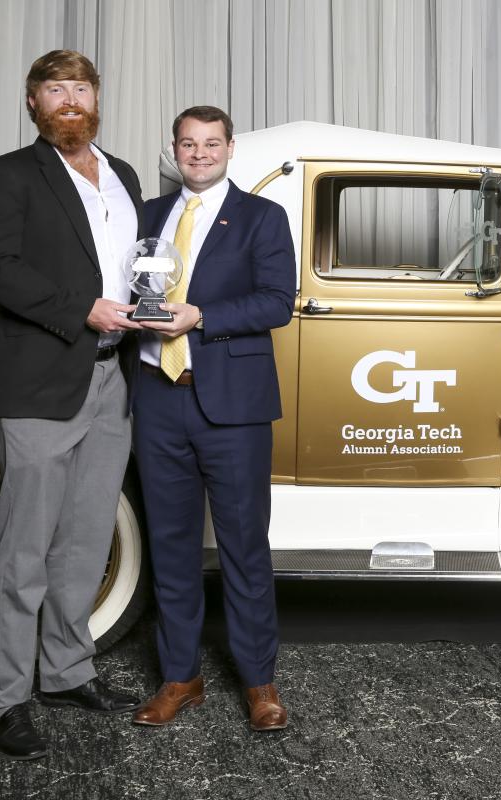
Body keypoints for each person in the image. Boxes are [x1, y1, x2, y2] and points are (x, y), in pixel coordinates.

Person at [0, 49, 144, 761]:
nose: (68, 98)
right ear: (34, 102)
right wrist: (84, 312)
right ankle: (7, 697)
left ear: (95, 97)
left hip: (115, 380)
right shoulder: (8, 174)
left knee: (85, 539)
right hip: (43, 379)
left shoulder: (124, 175)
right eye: (53, 88)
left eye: (80, 87)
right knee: (25, 550)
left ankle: (68, 671)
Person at [129, 106, 295, 731]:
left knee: (244, 548)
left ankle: (259, 683)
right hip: (157, 397)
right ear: (174, 150)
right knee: (170, 547)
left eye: (211, 143)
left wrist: (200, 317)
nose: (199, 153)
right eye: (188, 144)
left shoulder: (261, 216)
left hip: (232, 405)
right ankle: (180, 677)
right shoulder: (145, 216)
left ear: (230, 148)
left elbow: (279, 302)